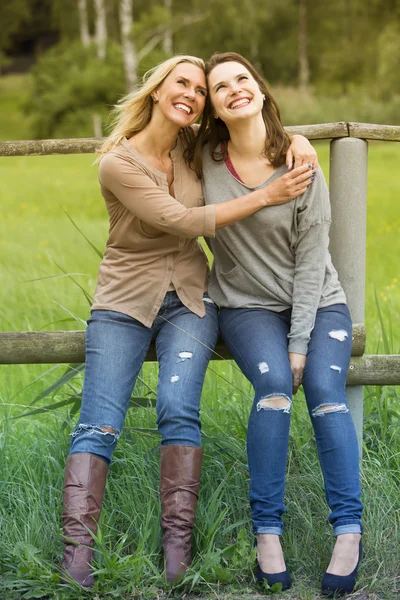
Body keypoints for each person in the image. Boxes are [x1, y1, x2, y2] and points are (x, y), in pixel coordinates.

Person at [60, 54, 317, 588]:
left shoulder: (193, 148)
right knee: (99, 421)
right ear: (156, 90)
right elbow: (180, 219)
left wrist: (298, 141)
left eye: (200, 90)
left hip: (191, 301)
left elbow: (253, 132)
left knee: (179, 411)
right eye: (183, 84)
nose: (193, 95)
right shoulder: (118, 163)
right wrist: (267, 195)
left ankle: (176, 556)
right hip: (124, 302)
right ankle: (77, 559)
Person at [195, 52, 363, 596]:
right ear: (215, 108)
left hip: (318, 301)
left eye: (243, 78)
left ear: (261, 90)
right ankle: (268, 532)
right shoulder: (203, 158)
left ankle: (349, 530)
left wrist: (299, 343)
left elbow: (314, 262)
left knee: (323, 388)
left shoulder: (300, 163)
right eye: (221, 86)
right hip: (245, 306)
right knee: (273, 388)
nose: (234, 89)